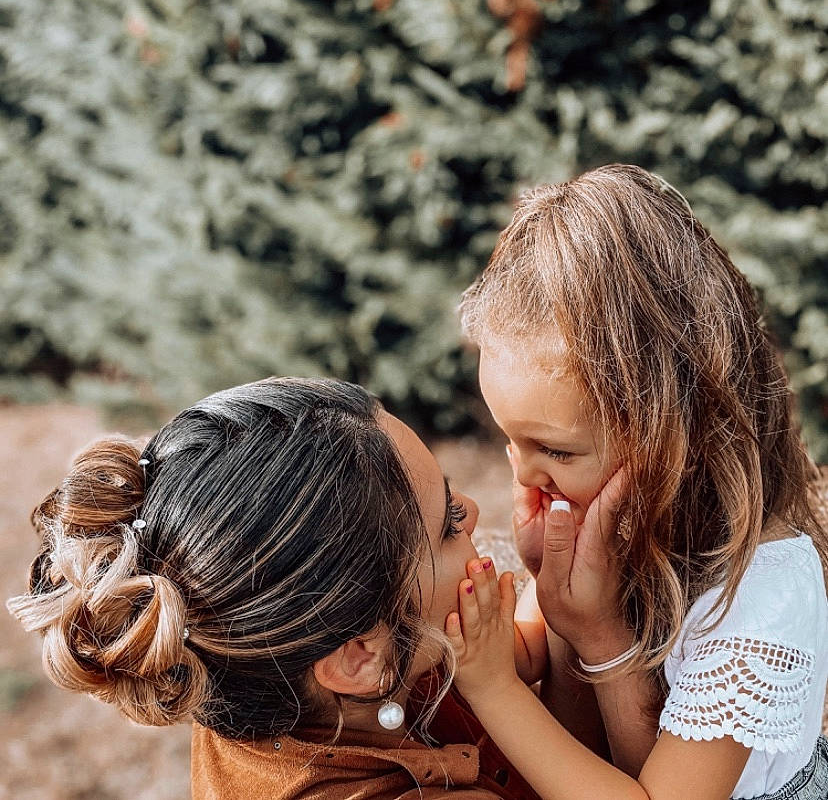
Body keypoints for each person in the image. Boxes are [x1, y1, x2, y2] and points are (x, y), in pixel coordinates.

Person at [452, 163, 828, 800]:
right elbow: (542, 662)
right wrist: (511, 622)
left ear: (677, 431)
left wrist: (565, 652)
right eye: (509, 440)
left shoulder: (762, 595)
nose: (523, 473)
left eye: (554, 449)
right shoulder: (616, 517)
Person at [7, 377, 555, 800]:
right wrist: (603, 643)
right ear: (359, 658)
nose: (475, 511)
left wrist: (552, 583)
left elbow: (520, 657)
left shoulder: (252, 670)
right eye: (449, 523)